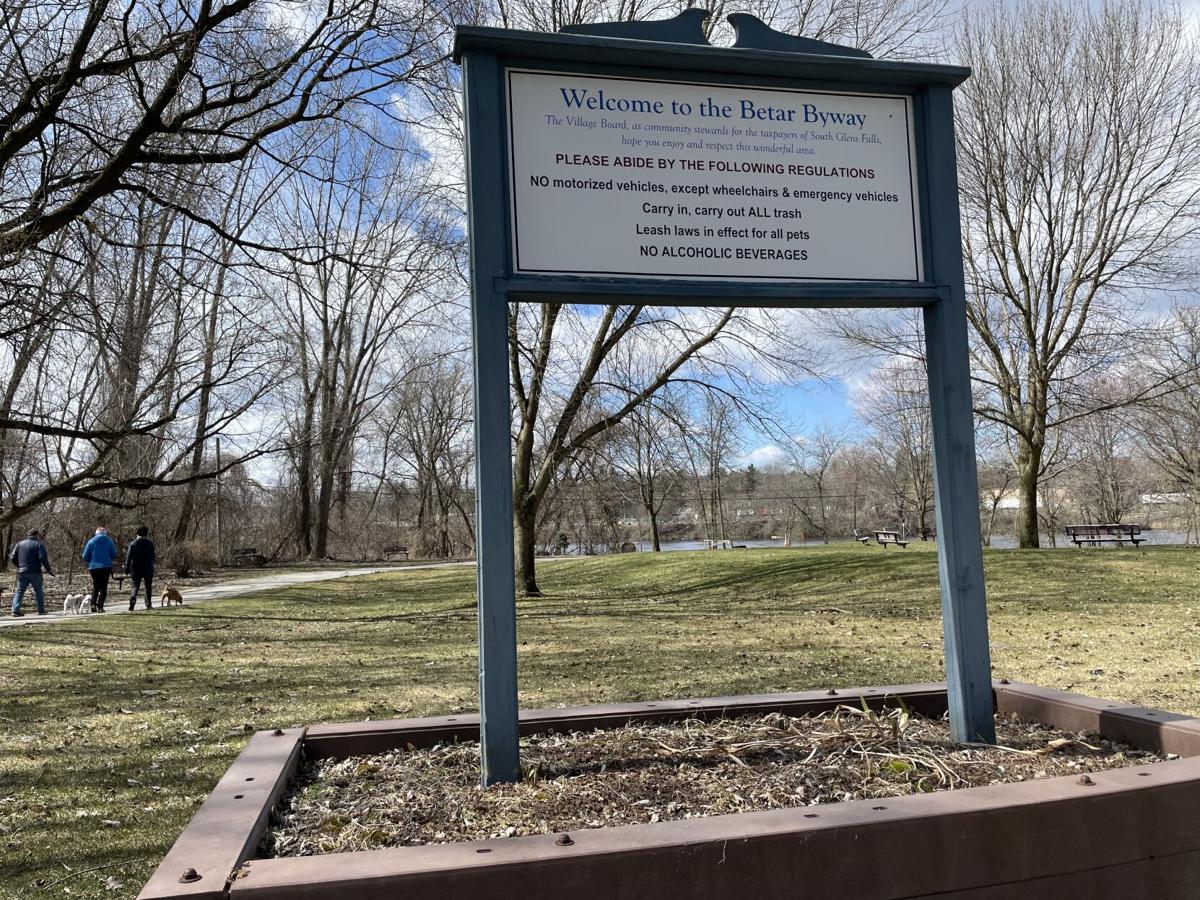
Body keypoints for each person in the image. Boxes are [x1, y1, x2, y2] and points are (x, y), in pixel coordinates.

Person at [9, 528, 54, 616]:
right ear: (36, 535)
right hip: (35, 571)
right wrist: (49, 569)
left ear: (28, 535)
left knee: (19, 591)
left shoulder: (19, 544)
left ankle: (15, 610)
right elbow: (43, 558)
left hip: (22, 572)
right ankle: (41, 610)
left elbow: (13, 557)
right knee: (38, 591)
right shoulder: (39, 544)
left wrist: (20, 566)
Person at [81, 526, 118, 612]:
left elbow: (85, 556)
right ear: (105, 533)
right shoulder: (109, 541)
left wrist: (91, 559)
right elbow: (114, 554)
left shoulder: (91, 541)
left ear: (96, 533)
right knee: (103, 586)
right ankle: (100, 605)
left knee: (96, 586)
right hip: (106, 566)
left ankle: (93, 604)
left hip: (93, 567)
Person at [125, 526, 156, 611]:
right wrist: (153, 565)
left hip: (136, 568)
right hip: (148, 567)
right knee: (148, 586)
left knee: (135, 585)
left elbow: (128, 557)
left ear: (137, 534)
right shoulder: (150, 543)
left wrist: (127, 568)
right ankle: (148, 604)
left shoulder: (133, 543)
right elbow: (153, 556)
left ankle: (133, 599)